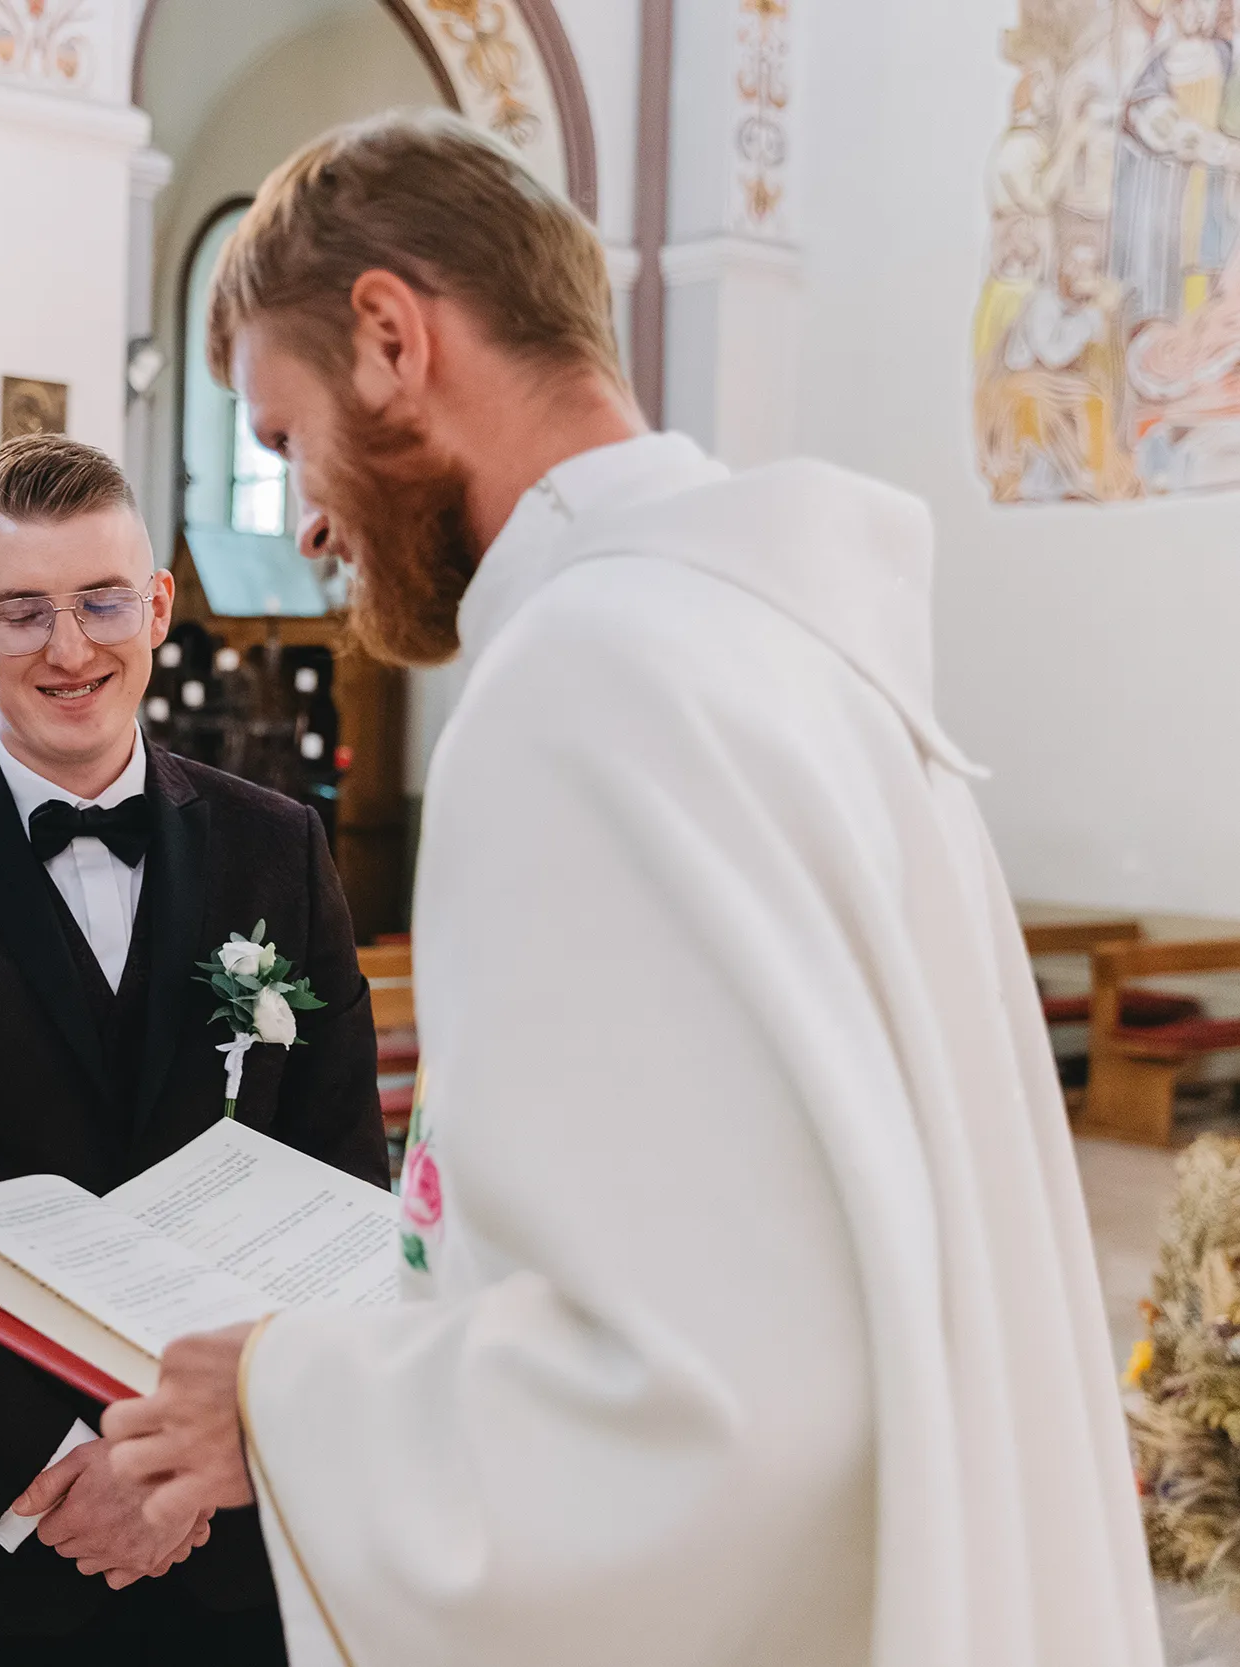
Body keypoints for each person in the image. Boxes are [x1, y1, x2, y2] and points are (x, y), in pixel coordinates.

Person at [99, 111, 1158, 1667]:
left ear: (391, 337)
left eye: (283, 439)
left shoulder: (586, 679)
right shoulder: (795, 647)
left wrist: (271, 1392)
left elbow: (694, 1400)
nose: (308, 519)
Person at [0, 434, 387, 1667]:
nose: (69, 646)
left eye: (101, 600)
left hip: (244, 1526)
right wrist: (54, 1466)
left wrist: (205, 1457)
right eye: (22, 610)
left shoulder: (278, 847)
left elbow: (346, 1187)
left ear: (153, 605)